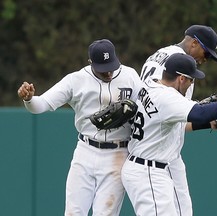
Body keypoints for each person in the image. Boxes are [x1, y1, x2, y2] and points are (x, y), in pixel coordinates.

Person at [121, 53, 217, 216]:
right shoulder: (166, 97)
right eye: (191, 79)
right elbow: (200, 113)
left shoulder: (150, 84)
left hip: (149, 167)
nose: (192, 83)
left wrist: (209, 123)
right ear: (181, 78)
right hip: (148, 172)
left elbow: (180, 123)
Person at [17, 39, 144, 216]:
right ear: (90, 62)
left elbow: (147, 109)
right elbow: (41, 105)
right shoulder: (76, 80)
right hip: (85, 151)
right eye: (102, 68)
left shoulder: (130, 76)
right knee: (73, 212)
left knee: (105, 213)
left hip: (118, 154)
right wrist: (29, 99)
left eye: (111, 66)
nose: (108, 72)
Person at [139, 24, 217, 215]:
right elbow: (175, 117)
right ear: (194, 43)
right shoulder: (180, 68)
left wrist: (209, 122)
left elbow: (173, 119)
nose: (206, 59)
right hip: (160, 152)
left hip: (151, 143)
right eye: (206, 53)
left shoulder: (159, 56)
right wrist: (207, 116)